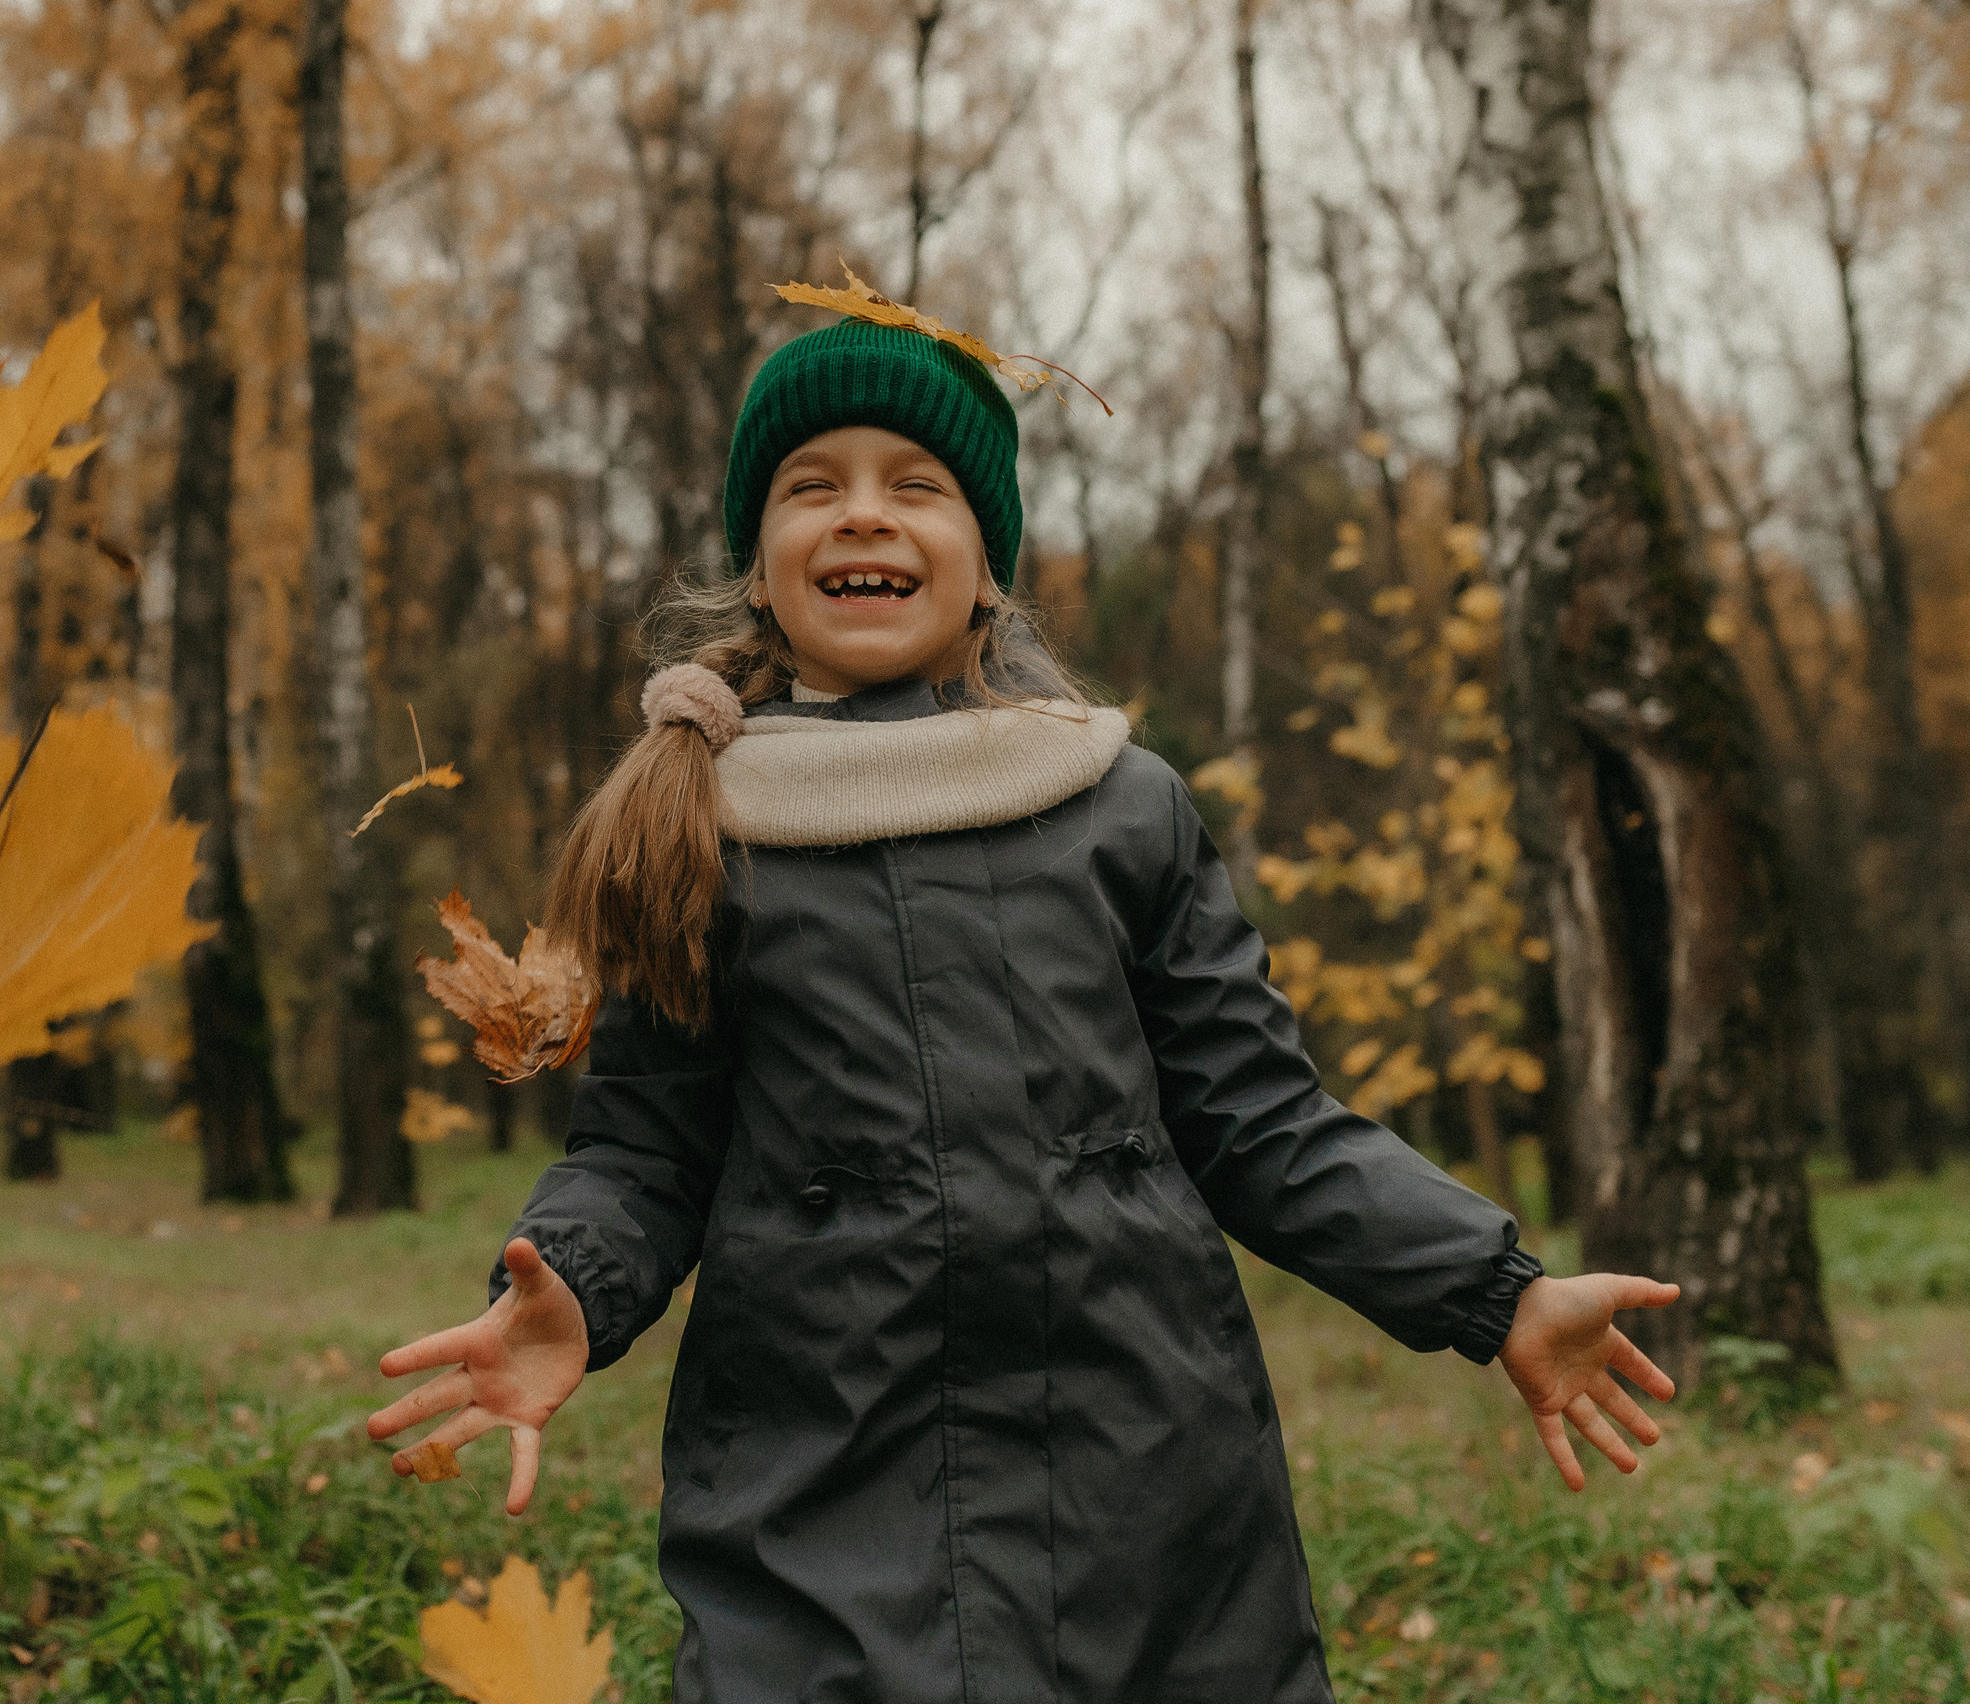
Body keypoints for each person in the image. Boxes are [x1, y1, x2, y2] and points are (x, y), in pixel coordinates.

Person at [368, 318, 1679, 1702]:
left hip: (1151, 1493)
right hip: (817, 1493)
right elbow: (645, 1152)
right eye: (812, 483)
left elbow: (1267, 1126)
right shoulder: (696, 826)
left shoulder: (1116, 805)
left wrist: (1497, 1292)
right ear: (760, 565)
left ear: (987, 559)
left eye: (915, 483)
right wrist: (571, 1277)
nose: (862, 509)